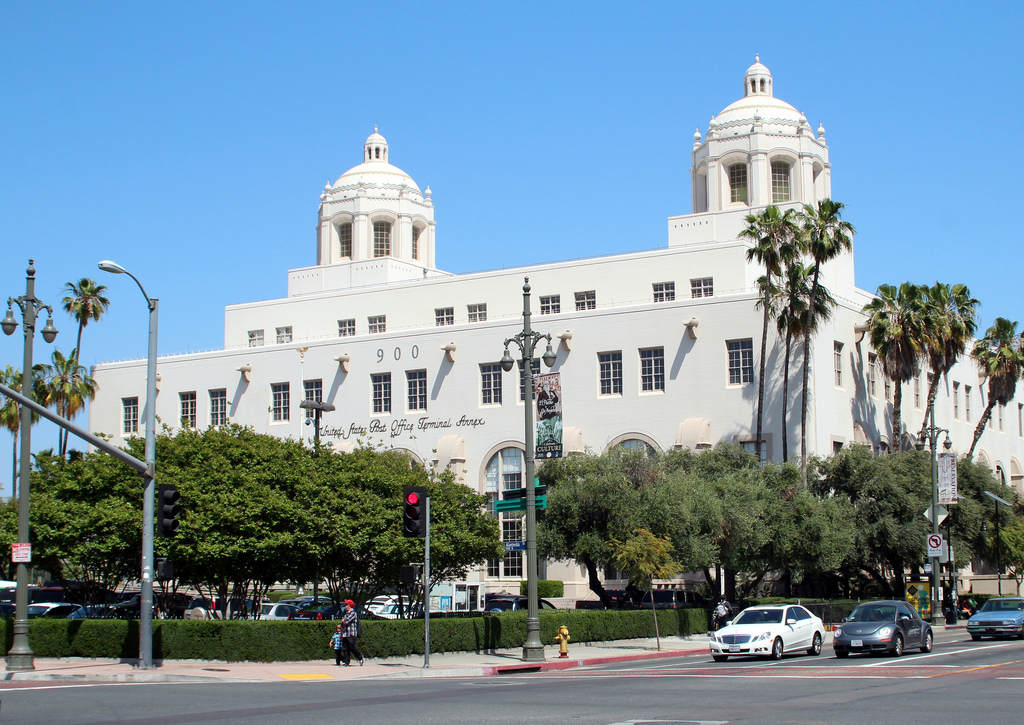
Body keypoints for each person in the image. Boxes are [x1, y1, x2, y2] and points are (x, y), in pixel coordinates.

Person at [339, 599, 363, 666]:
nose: (345, 606)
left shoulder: (353, 613)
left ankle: (360, 657)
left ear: (349, 606)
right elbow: (343, 624)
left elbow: (346, 621)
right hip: (345, 633)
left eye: (346, 604)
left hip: (351, 634)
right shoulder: (346, 614)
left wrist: (343, 620)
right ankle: (346, 662)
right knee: (345, 648)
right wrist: (341, 633)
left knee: (352, 647)